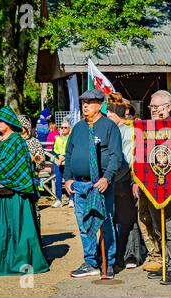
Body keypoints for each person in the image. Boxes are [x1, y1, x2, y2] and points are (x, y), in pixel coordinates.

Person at [0, 105, 49, 275]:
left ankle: (11, 258)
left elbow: (14, 165)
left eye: (0, 120)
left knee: (12, 225)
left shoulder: (17, 140)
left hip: (10, 190)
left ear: (9, 122)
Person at [64, 89, 123, 279]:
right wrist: (68, 179)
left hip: (100, 185)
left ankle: (109, 262)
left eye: (89, 102)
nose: (85, 105)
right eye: (83, 102)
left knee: (105, 224)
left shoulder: (109, 126)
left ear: (100, 105)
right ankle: (90, 262)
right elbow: (69, 154)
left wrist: (107, 177)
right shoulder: (79, 128)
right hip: (80, 185)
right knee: (84, 225)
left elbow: (116, 156)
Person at [132, 90, 171, 285]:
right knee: (158, 227)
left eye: (157, 107)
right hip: (151, 186)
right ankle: (166, 263)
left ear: (169, 107)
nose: (153, 110)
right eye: (151, 107)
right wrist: (137, 181)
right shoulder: (146, 128)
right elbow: (140, 157)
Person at [106, 92, 146, 270]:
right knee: (114, 218)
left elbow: (129, 159)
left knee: (129, 219)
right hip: (111, 180)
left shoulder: (130, 130)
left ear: (117, 114)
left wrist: (112, 177)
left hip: (125, 180)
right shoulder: (110, 129)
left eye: (110, 113)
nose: (107, 116)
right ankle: (116, 254)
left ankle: (132, 254)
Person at [51, 119, 74, 208]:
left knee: (69, 181)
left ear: (69, 129)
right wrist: (58, 156)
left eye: (65, 127)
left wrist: (63, 156)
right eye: (62, 127)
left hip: (68, 162)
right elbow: (54, 149)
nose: (63, 129)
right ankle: (58, 200)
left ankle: (71, 199)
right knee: (58, 181)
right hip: (58, 162)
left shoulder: (71, 138)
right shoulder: (57, 138)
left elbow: (71, 149)